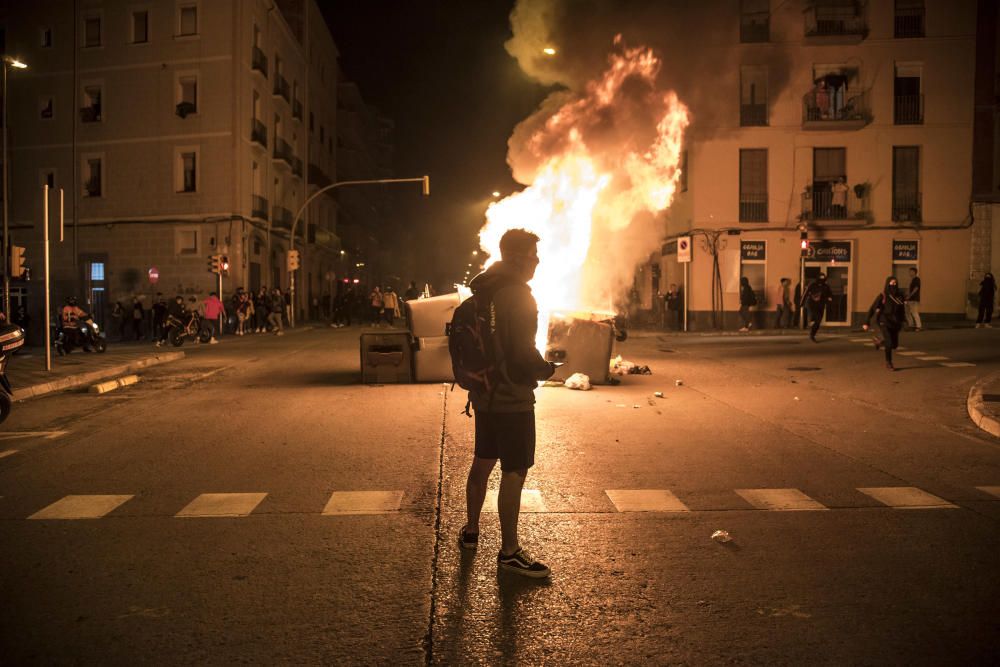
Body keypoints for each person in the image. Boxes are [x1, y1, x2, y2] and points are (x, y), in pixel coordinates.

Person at [459, 228, 556, 579]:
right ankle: (509, 552)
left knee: (483, 460)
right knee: (514, 471)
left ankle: (471, 532)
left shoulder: (483, 289)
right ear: (517, 257)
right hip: (512, 398)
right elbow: (521, 353)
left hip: (484, 394)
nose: (537, 261)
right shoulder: (519, 295)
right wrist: (547, 369)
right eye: (533, 254)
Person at [864, 276, 906, 370]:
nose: (894, 285)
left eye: (895, 283)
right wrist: (866, 322)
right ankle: (889, 363)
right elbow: (872, 308)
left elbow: (902, 309)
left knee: (894, 345)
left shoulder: (900, 296)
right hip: (884, 321)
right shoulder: (883, 295)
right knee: (889, 343)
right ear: (887, 284)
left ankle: (879, 342)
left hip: (896, 322)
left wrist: (903, 320)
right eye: (891, 283)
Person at [801, 273, 833, 342]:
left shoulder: (826, 286)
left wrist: (829, 301)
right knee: (815, 317)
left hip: (821, 305)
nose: (822, 279)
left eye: (823, 278)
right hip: (812, 304)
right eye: (820, 278)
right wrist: (802, 303)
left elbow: (830, 295)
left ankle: (812, 334)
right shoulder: (812, 285)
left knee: (818, 321)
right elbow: (805, 294)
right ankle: (811, 323)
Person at [905, 267, 922, 332]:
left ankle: (919, 326)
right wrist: (906, 295)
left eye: (911, 271)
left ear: (915, 272)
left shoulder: (917, 279)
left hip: (914, 299)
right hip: (908, 299)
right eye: (909, 271)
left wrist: (910, 295)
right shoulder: (911, 280)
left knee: (914, 312)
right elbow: (909, 289)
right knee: (907, 313)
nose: (910, 273)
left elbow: (916, 288)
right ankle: (911, 325)